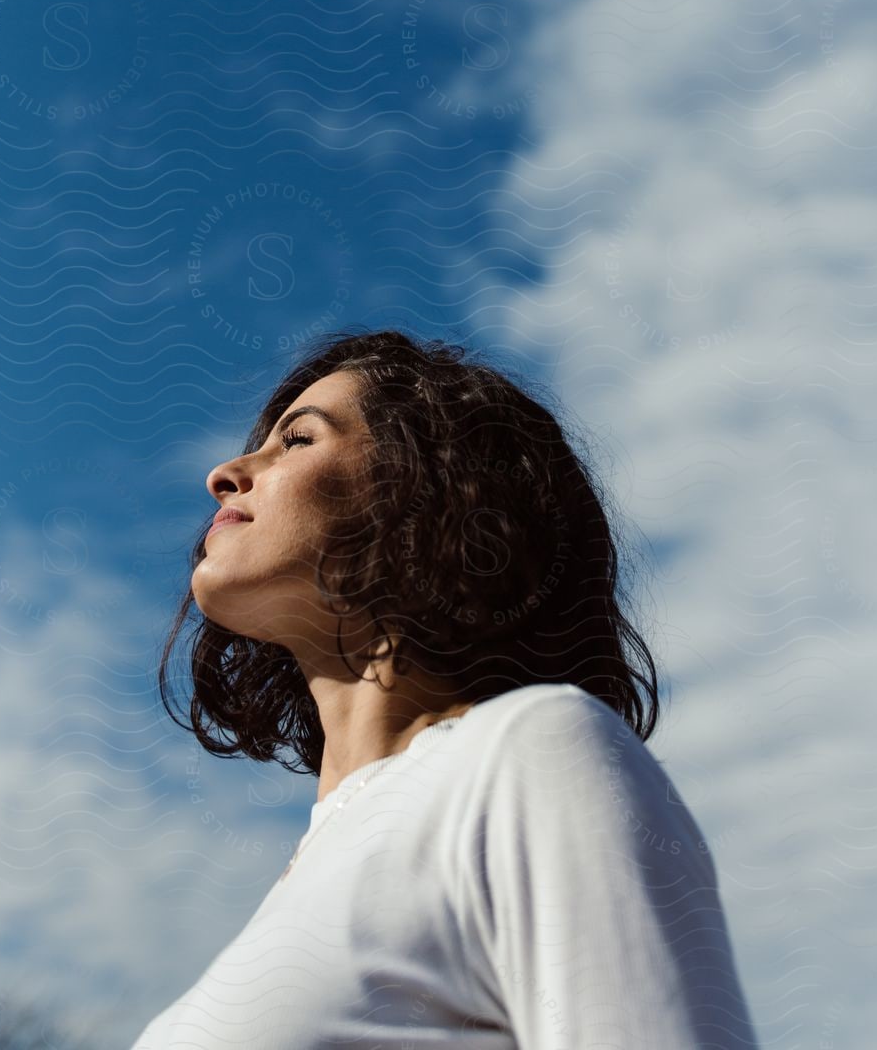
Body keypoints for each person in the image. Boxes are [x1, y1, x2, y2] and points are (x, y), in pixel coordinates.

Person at [129, 329, 760, 1049]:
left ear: (429, 497)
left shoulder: (528, 755)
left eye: (298, 441)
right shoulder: (313, 872)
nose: (225, 472)